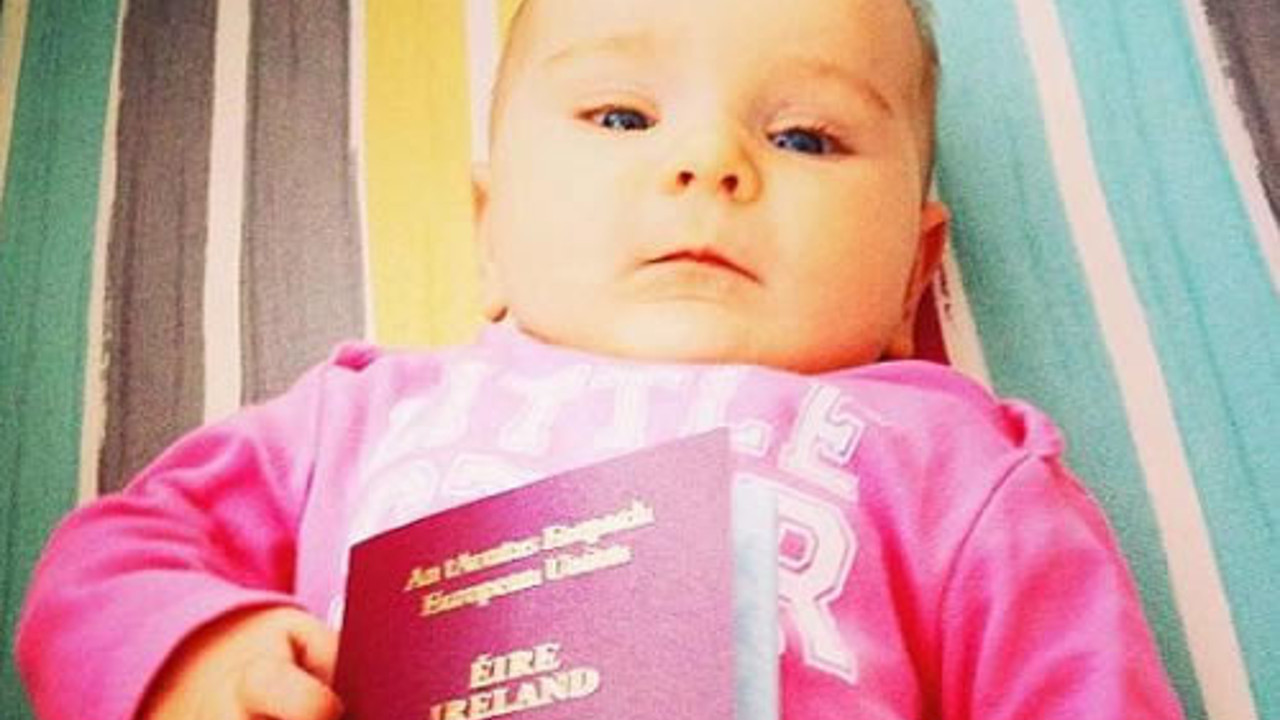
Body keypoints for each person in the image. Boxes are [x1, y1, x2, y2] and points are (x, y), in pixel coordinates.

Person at [16, 0, 1186, 718]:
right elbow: (115, 549)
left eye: (804, 136)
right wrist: (192, 654)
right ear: (490, 230)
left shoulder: (954, 466)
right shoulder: (362, 414)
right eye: (621, 118)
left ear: (909, 277)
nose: (708, 162)